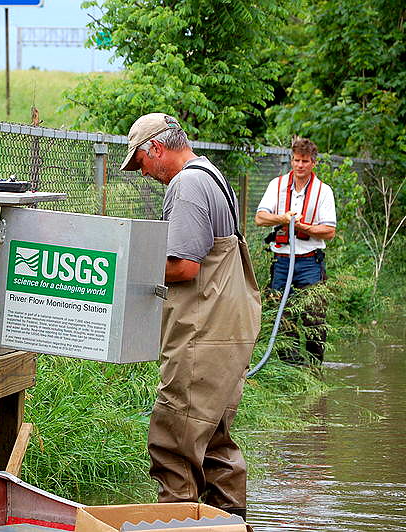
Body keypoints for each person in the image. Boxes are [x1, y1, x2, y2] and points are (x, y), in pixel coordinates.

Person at [120, 113, 261, 520]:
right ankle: (232, 526)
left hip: (203, 331)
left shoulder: (186, 185)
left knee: (175, 440)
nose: (144, 173)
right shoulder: (211, 175)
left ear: (157, 148)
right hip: (229, 328)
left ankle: (177, 526)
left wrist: (127, 266)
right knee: (217, 441)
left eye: (141, 162)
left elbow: (184, 266)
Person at [255, 137, 336, 365]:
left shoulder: (323, 191)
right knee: (282, 317)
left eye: (305, 161)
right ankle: (292, 369)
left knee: (313, 320)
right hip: (281, 261)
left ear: (313, 163)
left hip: (310, 262)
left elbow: (329, 231)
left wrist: (303, 227)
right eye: (296, 160)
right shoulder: (277, 185)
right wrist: (282, 218)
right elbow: (260, 218)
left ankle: (314, 368)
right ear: (292, 160)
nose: (300, 165)